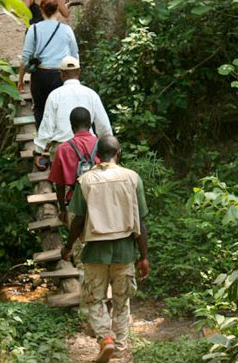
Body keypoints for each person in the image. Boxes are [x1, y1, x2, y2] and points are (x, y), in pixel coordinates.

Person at [62, 135, 149, 363]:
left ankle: (105, 339)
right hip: (125, 250)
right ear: (118, 152)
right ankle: (120, 348)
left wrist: (68, 246)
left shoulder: (85, 180)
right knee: (121, 301)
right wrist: (144, 257)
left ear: (97, 155)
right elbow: (141, 221)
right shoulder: (132, 178)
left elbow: (78, 220)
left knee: (94, 299)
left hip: (95, 251)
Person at [33, 56, 112, 168]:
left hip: (62, 150)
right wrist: (108, 150)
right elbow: (104, 127)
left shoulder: (55, 95)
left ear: (62, 74)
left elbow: (47, 127)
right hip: (89, 150)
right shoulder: (91, 94)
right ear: (79, 72)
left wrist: (38, 151)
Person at [49, 106, 100, 267]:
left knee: (81, 253)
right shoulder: (102, 145)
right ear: (90, 124)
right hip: (101, 202)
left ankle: (84, 281)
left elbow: (59, 184)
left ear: (71, 126)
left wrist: (63, 209)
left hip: (75, 204)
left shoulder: (63, 149)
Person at [18, 0, 79, 128]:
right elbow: (75, 55)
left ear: (41, 10)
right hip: (62, 75)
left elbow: (25, 58)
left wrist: (21, 79)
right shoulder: (67, 30)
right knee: (62, 109)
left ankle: (43, 143)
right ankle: (61, 142)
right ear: (57, 10)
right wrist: (76, 77)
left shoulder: (33, 29)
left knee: (40, 108)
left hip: (40, 75)